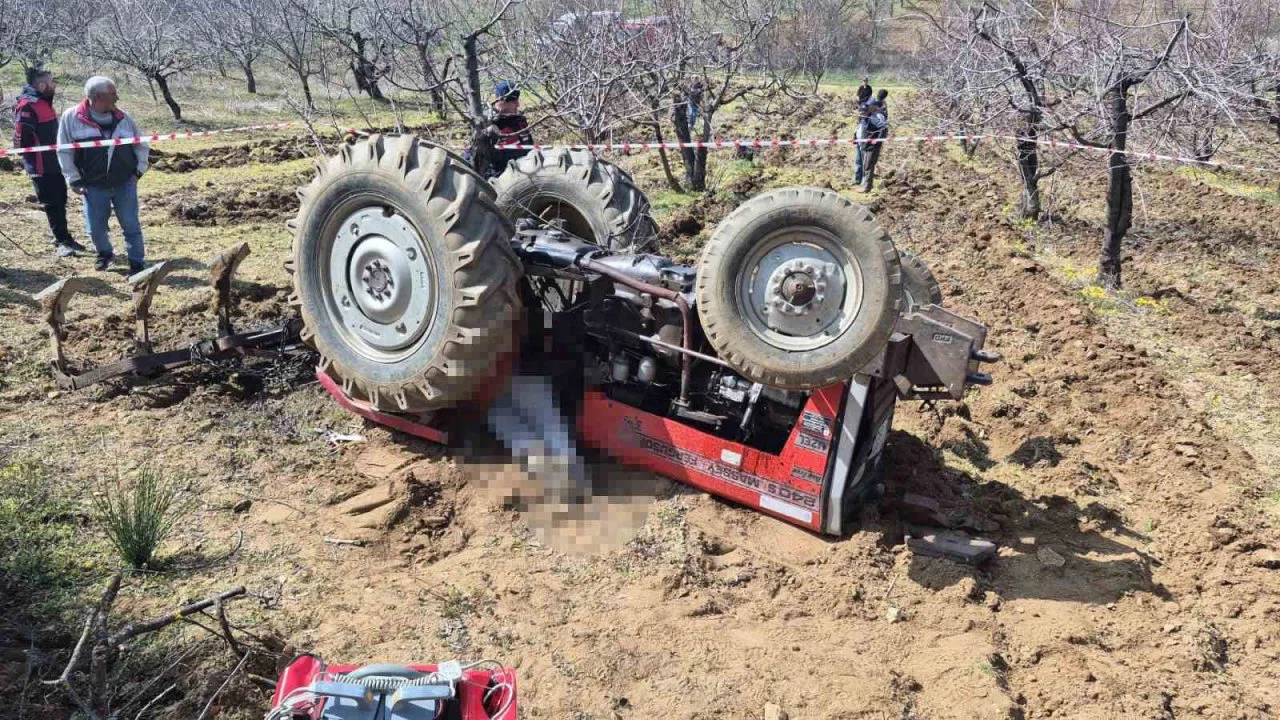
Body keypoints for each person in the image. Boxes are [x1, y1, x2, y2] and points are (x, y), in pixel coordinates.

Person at [56, 76, 149, 274]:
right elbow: (64, 151)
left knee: (131, 224)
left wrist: (139, 170)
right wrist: (73, 179)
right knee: (95, 228)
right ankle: (104, 253)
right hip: (93, 184)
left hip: (124, 181)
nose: (117, 98)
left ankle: (137, 262)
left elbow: (141, 145)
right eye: (113, 94)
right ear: (98, 97)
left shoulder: (124, 118)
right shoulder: (71, 118)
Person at [13, 69, 86, 258]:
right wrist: (31, 155)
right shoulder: (27, 105)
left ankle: (64, 237)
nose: (54, 85)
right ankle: (61, 242)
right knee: (52, 203)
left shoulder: (44, 102)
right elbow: (20, 138)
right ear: (41, 85)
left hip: (55, 161)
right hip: (40, 164)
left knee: (61, 199)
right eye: (51, 82)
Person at [486, 80, 534, 177]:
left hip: (525, 172)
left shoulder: (520, 119)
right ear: (502, 101)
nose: (518, 105)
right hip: (500, 178)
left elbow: (530, 146)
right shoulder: (487, 123)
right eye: (514, 101)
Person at [860, 100, 889, 192]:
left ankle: (867, 187)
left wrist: (878, 140)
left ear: (868, 111)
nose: (862, 114)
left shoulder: (872, 118)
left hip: (872, 147)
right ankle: (866, 185)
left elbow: (884, 127)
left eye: (864, 112)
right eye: (861, 112)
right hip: (866, 146)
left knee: (868, 166)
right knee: (865, 166)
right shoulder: (864, 120)